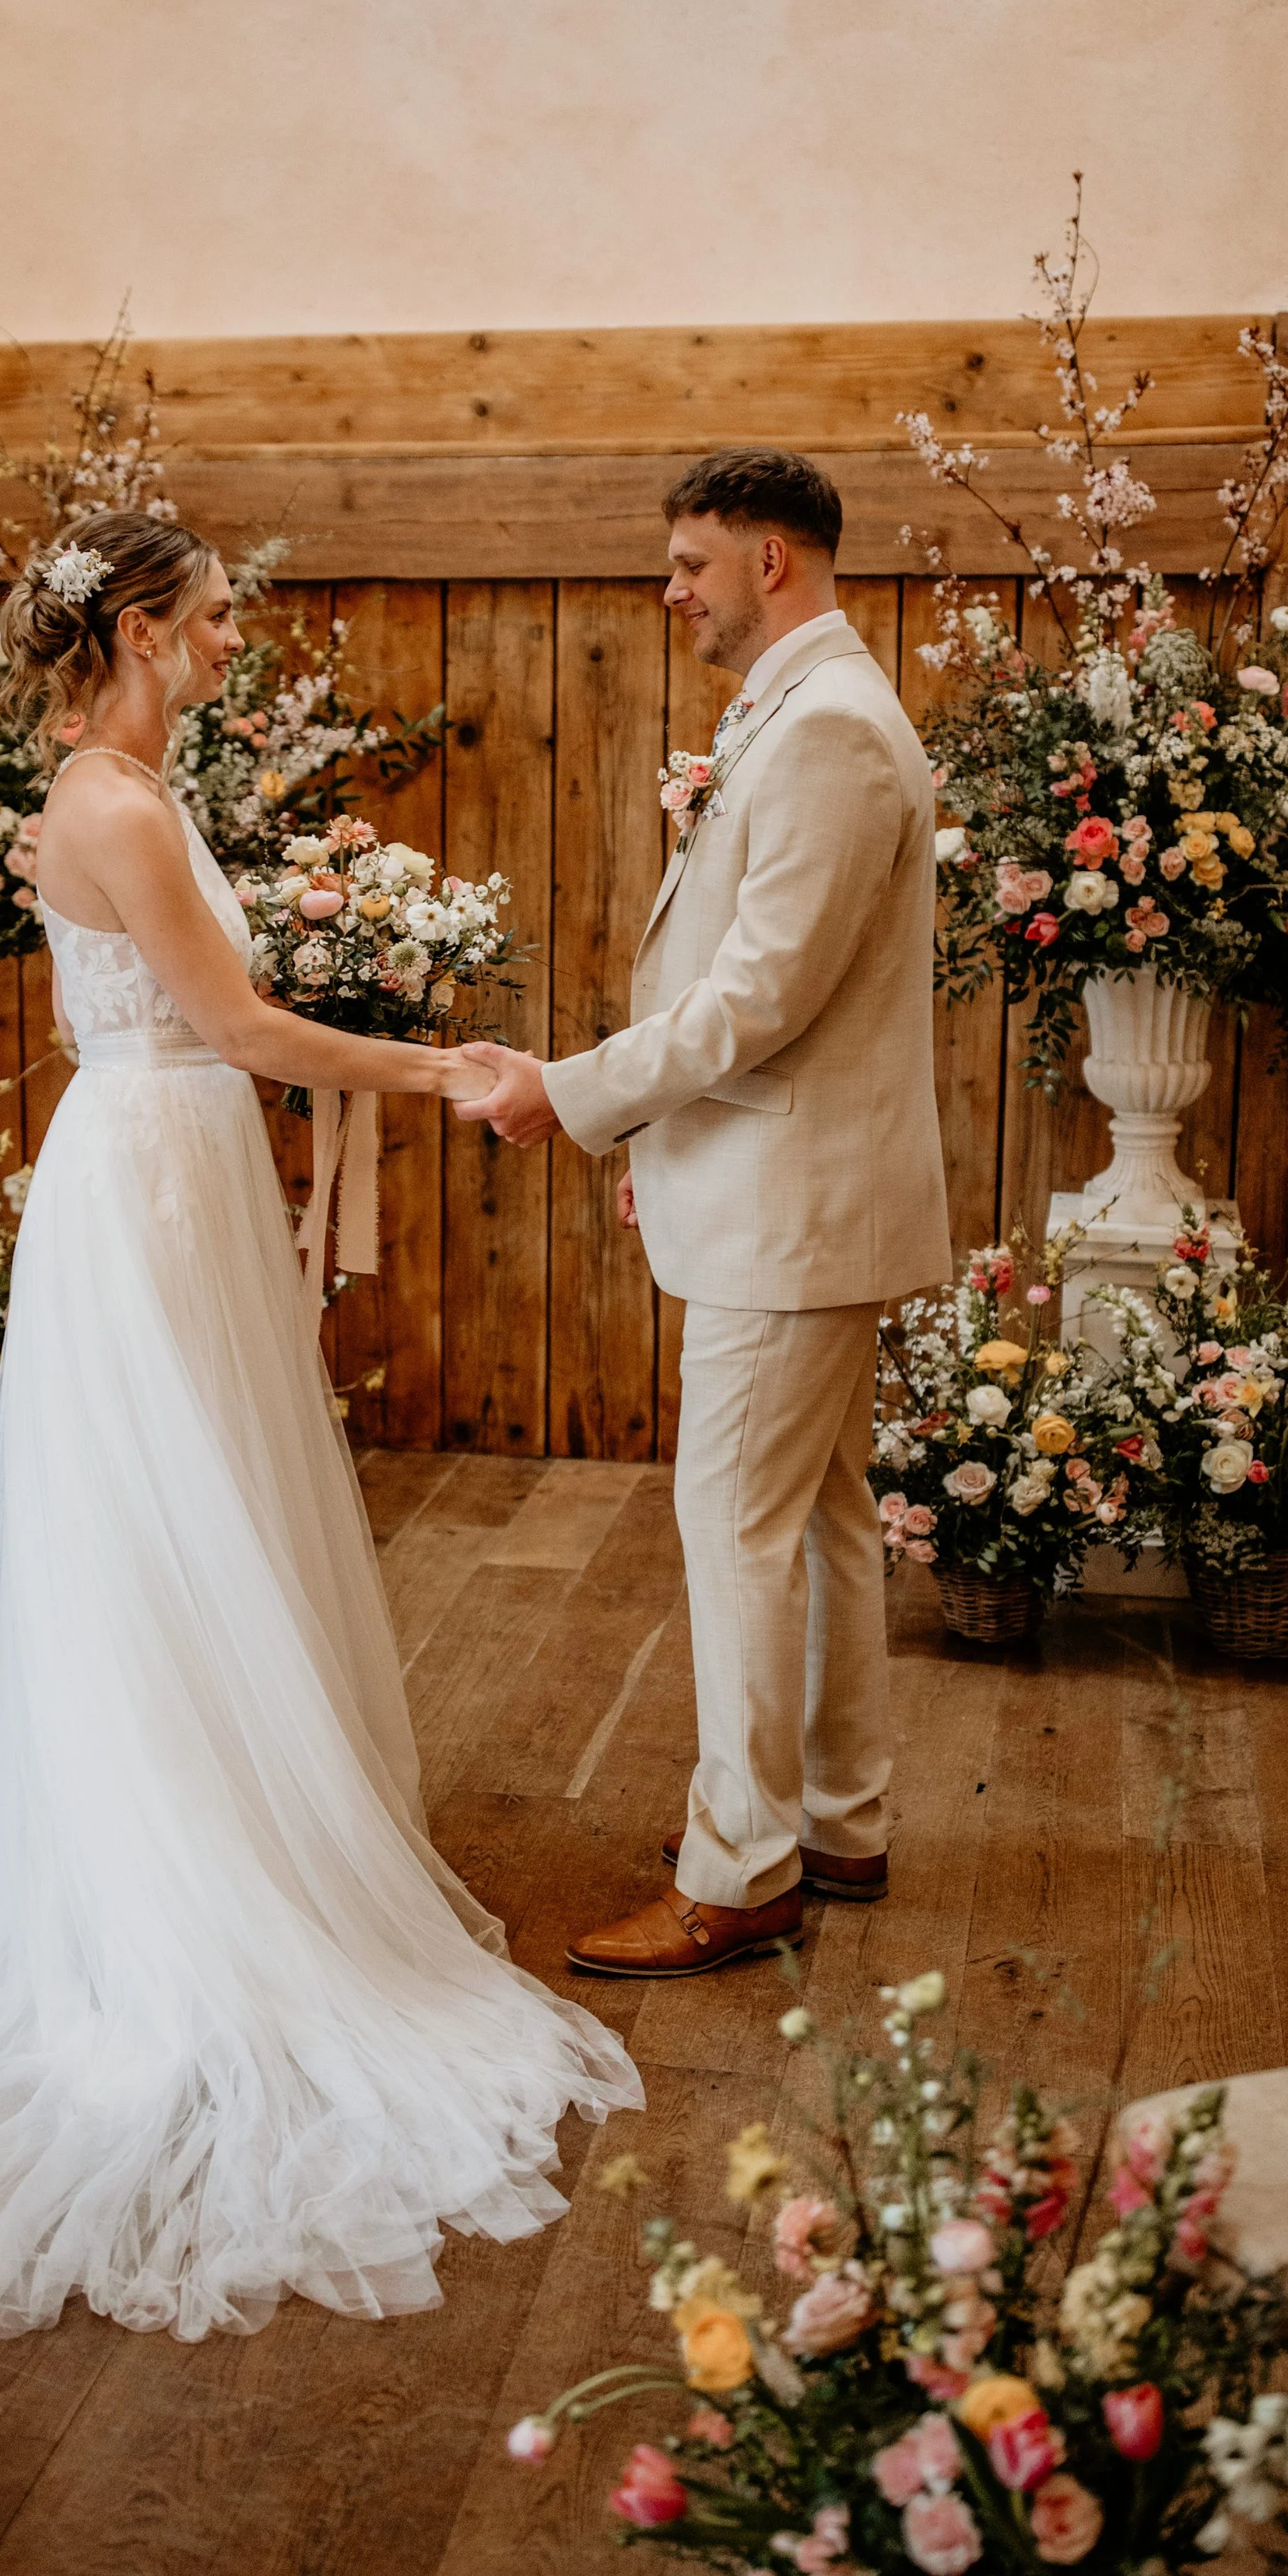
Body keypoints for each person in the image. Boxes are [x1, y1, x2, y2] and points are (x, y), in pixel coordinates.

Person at [0, 508, 640, 2340]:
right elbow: (241, 1027)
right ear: (131, 630)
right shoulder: (109, 804)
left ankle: (230, 1821)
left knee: (202, 1518)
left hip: (161, 1169)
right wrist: (446, 1069)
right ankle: (190, 1887)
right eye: (198, 623)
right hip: (153, 1171)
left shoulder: (114, 786)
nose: (220, 646)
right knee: (162, 1521)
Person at [455, 450, 952, 1979]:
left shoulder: (828, 735)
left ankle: (740, 1873)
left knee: (731, 1522)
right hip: (779, 1183)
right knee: (814, 1518)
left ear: (772, 565)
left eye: (690, 564)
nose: (671, 591)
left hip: (788, 1206)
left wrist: (578, 1088)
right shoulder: (800, 716)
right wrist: (651, 1129)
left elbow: (758, 996)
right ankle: (836, 1820)